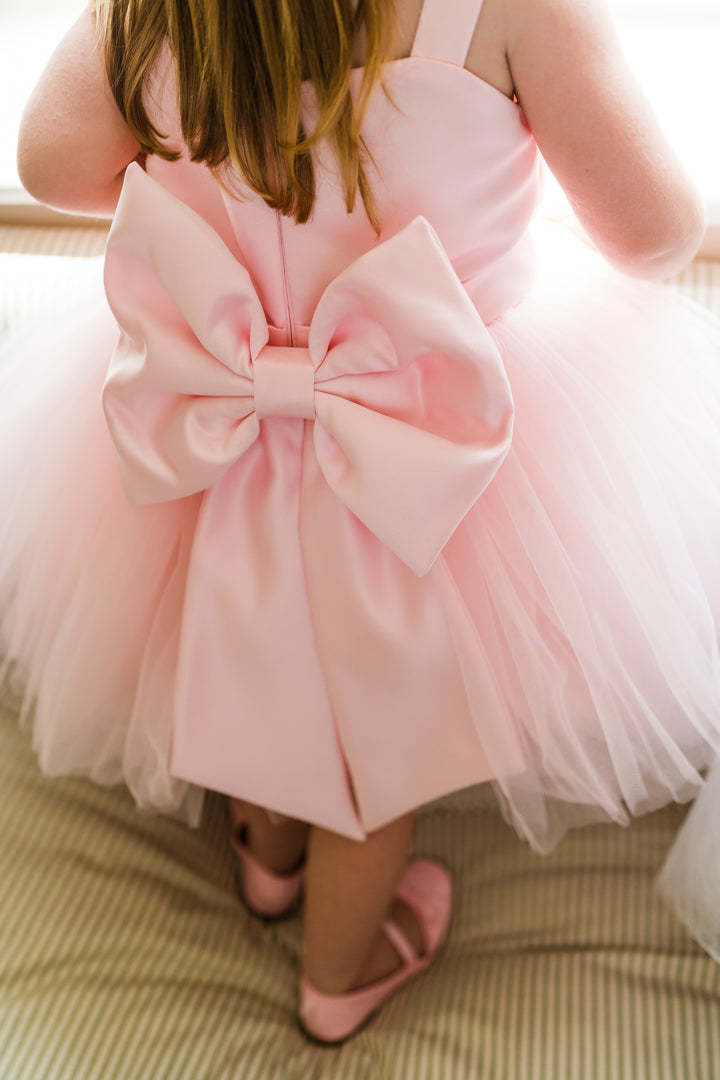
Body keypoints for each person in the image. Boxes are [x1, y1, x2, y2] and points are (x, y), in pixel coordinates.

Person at [3, 0, 720, 1044]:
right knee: (376, 728)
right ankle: (338, 978)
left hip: (212, 414)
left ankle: (266, 859)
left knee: (240, 632)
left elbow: (54, 164)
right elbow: (657, 235)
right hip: (423, 451)